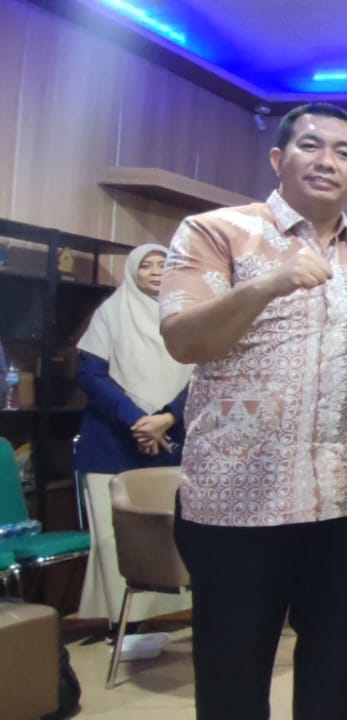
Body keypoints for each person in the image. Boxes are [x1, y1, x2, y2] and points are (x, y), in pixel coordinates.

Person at [158, 102, 347, 720]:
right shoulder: (215, 231)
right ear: (277, 158)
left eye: (344, 152)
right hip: (236, 500)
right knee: (232, 681)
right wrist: (266, 284)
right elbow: (183, 340)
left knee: (331, 677)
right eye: (310, 145)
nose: (326, 161)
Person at [75, 243, 193, 632]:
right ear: (132, 272)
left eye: (163, 264)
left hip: (171, 438)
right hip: (112, 441)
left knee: (169, 536)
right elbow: (90, 375)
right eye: (147, 265)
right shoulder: (110, 313)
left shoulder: (185, 315)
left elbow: (202, 375)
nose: (156, 271)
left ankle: (165, 619)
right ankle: (123, 624)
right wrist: (138, 421)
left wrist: (166, 418)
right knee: (114, 539)